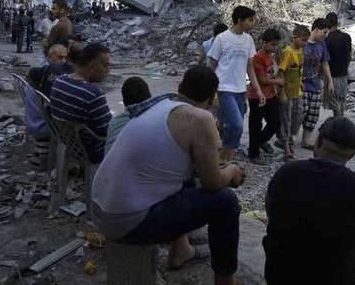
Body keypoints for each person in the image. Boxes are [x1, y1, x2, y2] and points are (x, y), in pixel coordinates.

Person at [92, 66, 245, 285]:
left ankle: (180, 250)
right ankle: (225, 280)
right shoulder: (201, 118)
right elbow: (213, 183)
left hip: (100, 208)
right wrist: (232, 171)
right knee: (226, 201)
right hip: (126, 222)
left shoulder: (161, 106)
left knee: (185, 178)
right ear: (212, 100)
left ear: (180, 88)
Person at [263, 117, 355, 285]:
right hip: (335, 277)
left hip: (279, 275)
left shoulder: (286, 172)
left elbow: (270, 210)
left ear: (318, 142)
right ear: (352, 155)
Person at [207, 6, 265, 163]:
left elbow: (250, 67)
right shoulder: (222, 39)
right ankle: (222, 159)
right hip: (223, 88)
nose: (253, 23)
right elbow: (212, 66)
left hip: (241, 90)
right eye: (250, 20)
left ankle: (226, 157)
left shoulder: (248, 40)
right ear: (240, 21)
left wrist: (259, 91)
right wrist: (208, 91)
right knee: (237, 125)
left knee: (231, 126)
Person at [49, 42, 112, 163]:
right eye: (105, 66)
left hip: (67, 144)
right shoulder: (93, 94)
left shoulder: (59, 81)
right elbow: (109, 131)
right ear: (92, 66)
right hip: (91, 152)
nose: (108, 71)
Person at [247, 28, 283, 164]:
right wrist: (277, 81)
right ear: (264, 42)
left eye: (276, 44)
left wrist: (274, 76)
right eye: (273, 44)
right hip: (256, 95)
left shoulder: (270, 56)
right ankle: (253, 154)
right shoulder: (258, 57)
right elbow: (261, 80)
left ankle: (261, 141)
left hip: (269, 94)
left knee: (275, 121)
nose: (275, 47)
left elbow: (268, 74)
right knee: (255, 125)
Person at [300, 18, 334, 149]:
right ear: (316, 29)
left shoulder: (322, 45)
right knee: (299, 113)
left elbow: (325, 63)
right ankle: (287, 139)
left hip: (315, 85)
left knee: (313, 115)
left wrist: (330, 81)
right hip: (301, 85)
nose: (325, 36)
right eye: (324, 32)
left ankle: (305, 141)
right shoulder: (303, 43)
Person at [276, 25, 309, 158]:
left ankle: (288, 139)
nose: (305, 43)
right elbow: (281, 72)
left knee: (299, 115)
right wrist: (282, 92)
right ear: (294, 38)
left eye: (306, 40)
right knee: (286, 119)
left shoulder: (301, 51)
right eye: (303, 40)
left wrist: (301, 84)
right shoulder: (288, 52)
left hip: (298, 91)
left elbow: (299, 70)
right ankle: (286, 147)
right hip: (287, 93)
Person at [104, 76, 153, 154]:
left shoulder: (115, 121)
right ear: (150, 99)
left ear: (123, 101)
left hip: (107, 164)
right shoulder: (153, 121)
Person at [324, 12, 352, 118]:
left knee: (335, 106)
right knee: (341, 103)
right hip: (344, 76)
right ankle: (341, 122)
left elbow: (324, 62)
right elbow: (349, 57)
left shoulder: (326, 41)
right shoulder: (347, 37)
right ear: (337, 23)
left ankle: (338, 127)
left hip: (332, 78)